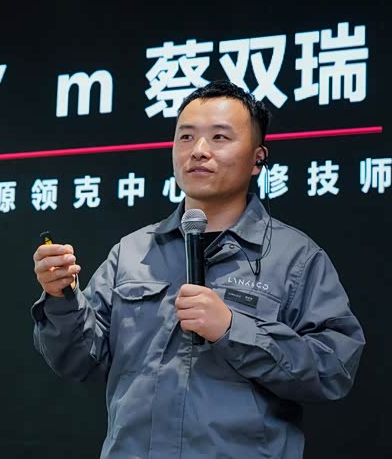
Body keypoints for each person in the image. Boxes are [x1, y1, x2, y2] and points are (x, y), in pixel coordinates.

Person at [31, 80, 365, 459]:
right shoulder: (132, 252)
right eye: (186, 137)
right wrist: (62, 298)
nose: (199, 151)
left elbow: (334, 369)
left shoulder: (296, 258)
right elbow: (77, 361)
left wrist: (233, 330)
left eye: (220, 137)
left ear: (258, 158)